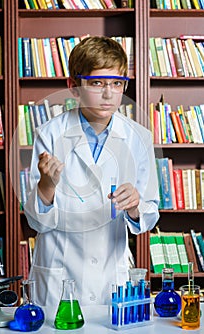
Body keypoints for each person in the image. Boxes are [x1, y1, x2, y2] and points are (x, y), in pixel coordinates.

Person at [24, 36, 160, 319]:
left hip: (111, 278)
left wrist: (135, 206)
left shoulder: (139, 138)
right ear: (74, 87)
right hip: (59, 277)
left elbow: (148, 216)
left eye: (117, 83)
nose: (109, 94)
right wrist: (47, 185)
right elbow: (35, 221)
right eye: (97, 83)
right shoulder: (49, 134)